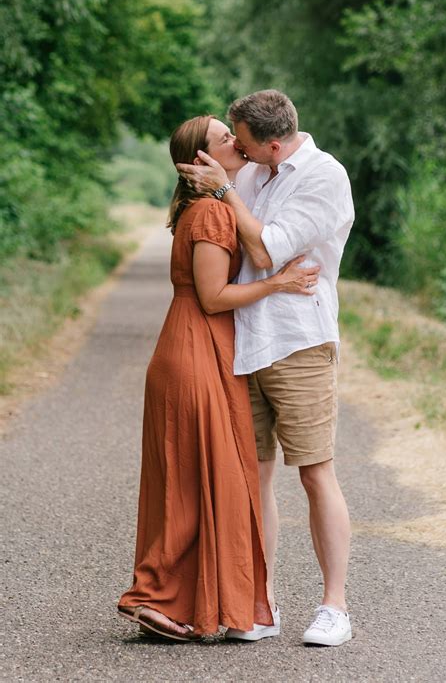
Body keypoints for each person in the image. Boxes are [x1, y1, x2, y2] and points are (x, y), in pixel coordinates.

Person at [117, 115, 320, 641]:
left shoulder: (209, 207)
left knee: (194, 478)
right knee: (194, 480)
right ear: (201, 162)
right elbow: (212, 297)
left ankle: (173, 601)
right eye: (223, 137)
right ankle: (154, 596)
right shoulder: (210, 213)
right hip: (195, 349)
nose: (235, 141)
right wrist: (278, 283)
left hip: (196, 347)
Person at [177, 90, 355, 646]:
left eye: (245, 143)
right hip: (243, 344)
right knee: (253, 478)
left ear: (273, 144)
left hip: (298, 342)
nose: (239, 150)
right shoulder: (254, 171)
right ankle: (262, 602)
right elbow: (225, 231)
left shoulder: (323, 177)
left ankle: (335, 608)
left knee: (314, 471)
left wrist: (226, 190)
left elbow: (265, 251)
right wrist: (221, 186)